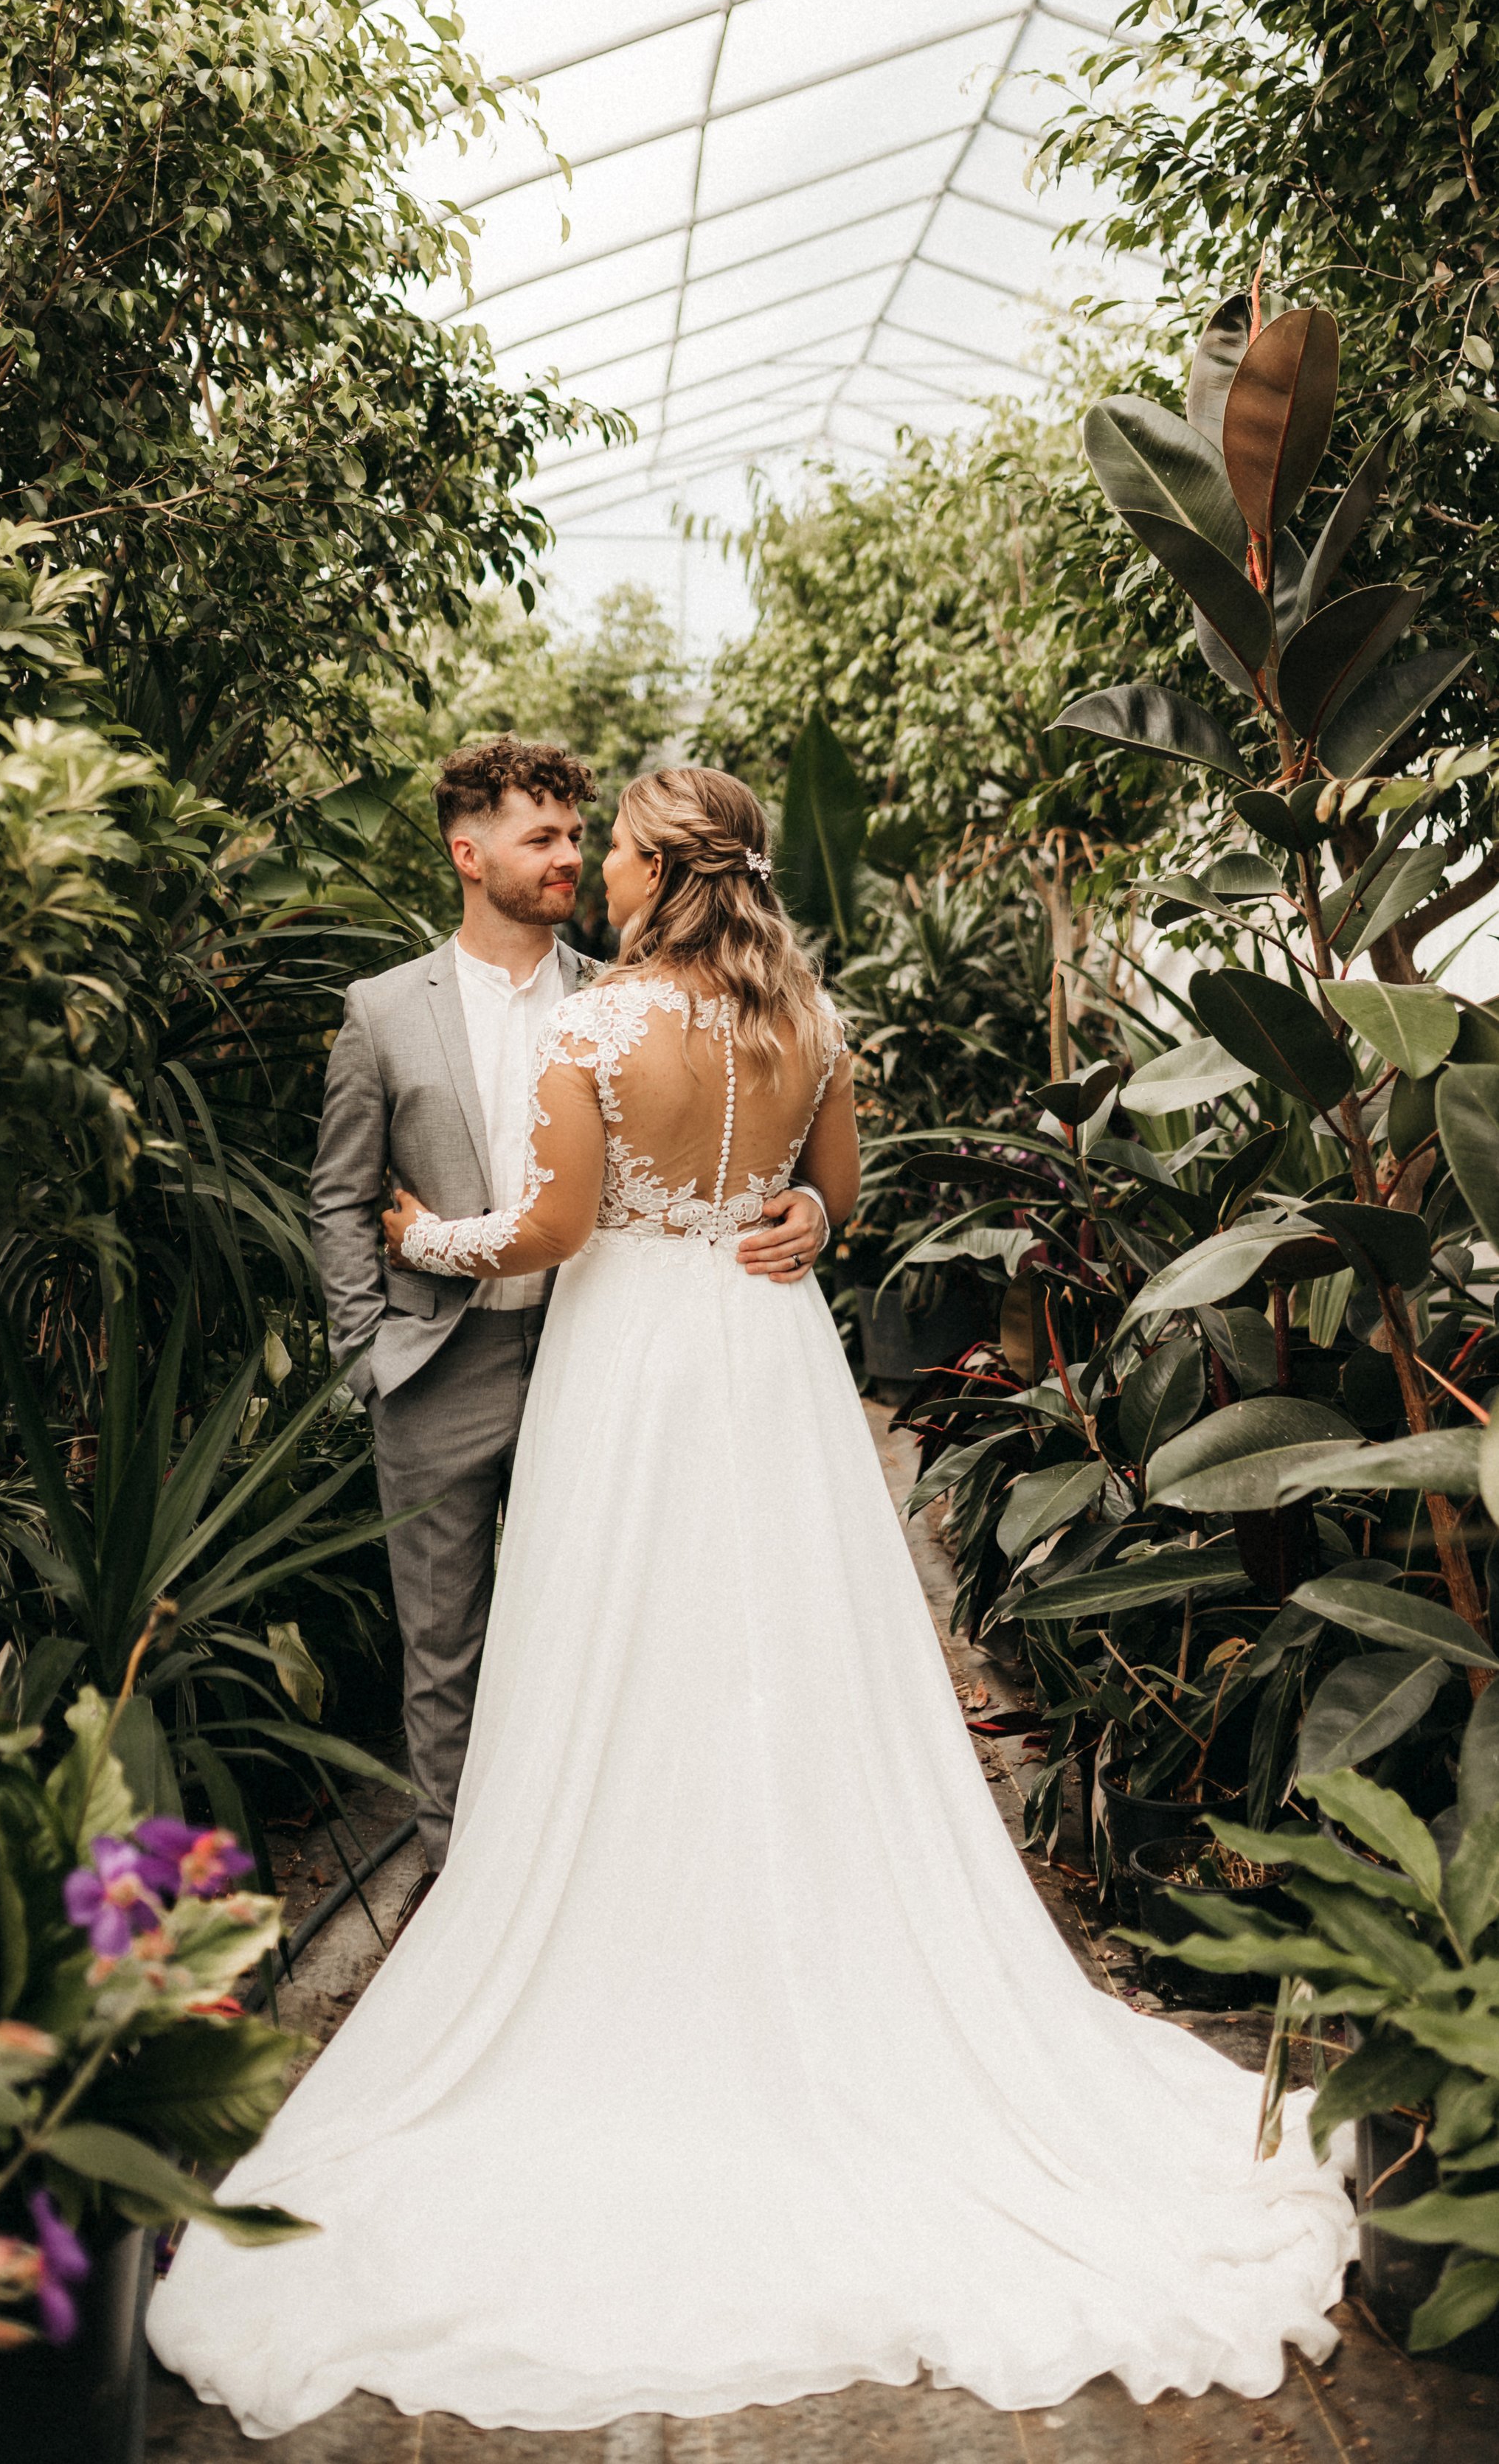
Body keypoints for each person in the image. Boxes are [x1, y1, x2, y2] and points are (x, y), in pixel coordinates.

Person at [150, 767, 1353, 2438]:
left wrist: (429, 1237)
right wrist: (786, 1208)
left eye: (613, 851)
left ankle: (625, 1929)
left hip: (630, 1375)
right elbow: (834, 1207)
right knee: (793, 1658)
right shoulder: (809, 1018)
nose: (594, 870)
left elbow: (555, 1231)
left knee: (612, 1661)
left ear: (653, 875)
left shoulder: (594, 1034)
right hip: (767, 1364)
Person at [305, 739, 830, 1907]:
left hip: (603, 1360)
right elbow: (340, 1195)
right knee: (443, 1651)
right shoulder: (383, 1011)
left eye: (580, 838)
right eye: (540, 836)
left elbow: (745, 1142)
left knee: (611, 1629)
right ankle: (460, 1895)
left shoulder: (625, 994)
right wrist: (368, 1354)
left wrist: (813, 1207)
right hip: (440, 1363)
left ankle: (604, 1887)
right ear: (467, 850)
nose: (569, 857)